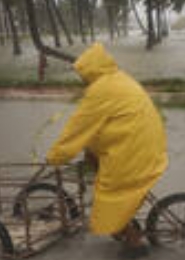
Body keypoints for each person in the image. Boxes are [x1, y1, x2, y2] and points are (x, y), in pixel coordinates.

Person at [46, 43, 168, 257]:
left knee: (107, 199)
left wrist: (56, 157)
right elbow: (105, 122)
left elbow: (77, 128)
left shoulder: (100, 90)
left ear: (90, 70)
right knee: (96, 161)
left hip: (133, 152)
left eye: (82, 73)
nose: (81, 78)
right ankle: (126, 222)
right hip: (148, 145)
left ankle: (134, 243)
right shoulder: (119, 78)